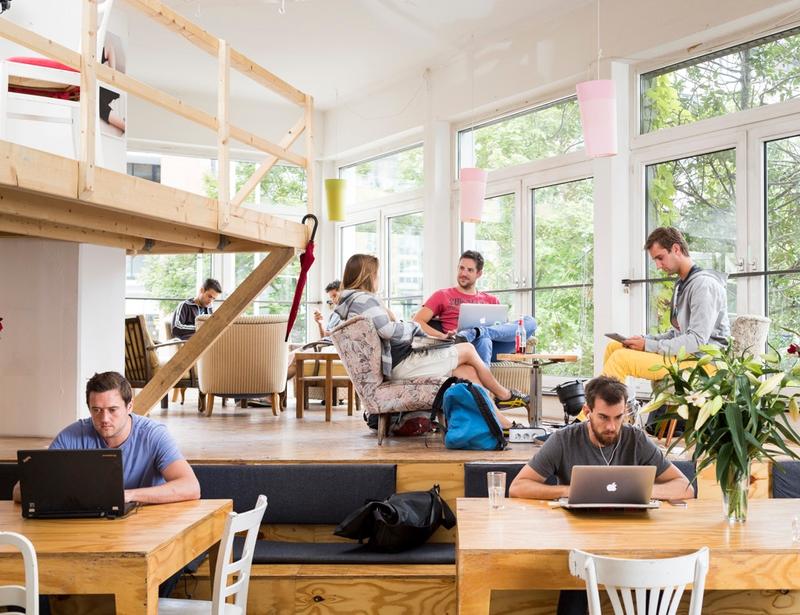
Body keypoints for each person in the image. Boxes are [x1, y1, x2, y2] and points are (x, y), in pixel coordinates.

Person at [509, 375, 694, 615]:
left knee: (656, 568)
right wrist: (569, 490)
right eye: (604, 417)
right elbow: (518, 487)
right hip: (580, 540)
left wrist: (640, 491)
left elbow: (685, 487)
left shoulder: (636, 439)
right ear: (587, 411)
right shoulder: (563, 440)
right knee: (576, 576)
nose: (612, 427)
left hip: (634, 540)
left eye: (619, 418)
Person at [333, 254, 529, 427]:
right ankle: (504, 395)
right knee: (468, 348)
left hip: (399, 362)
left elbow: (385, 330)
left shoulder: (349, 303)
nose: (378, 279)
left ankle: (499, 423)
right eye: (377, 274)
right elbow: (388, 330)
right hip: (402, 364)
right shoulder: (365, 300)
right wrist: (412, 327)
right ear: (369, 276)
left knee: (468, 370)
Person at [13, 371, 200, 505]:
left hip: (145, 524)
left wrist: (127, 495)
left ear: (129, 407)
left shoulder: (154, 435)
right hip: (86, 529)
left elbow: (191, 487)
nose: (104, 419)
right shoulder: (71, 436)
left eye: (112, 410)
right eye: (97, 410)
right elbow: (19, 491)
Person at [602, 226, 730, 383]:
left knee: (620, 359)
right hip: (686, 356)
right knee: (614, 347)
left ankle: (601, 407)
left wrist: (648, 345)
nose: (658, 265)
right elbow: (678, 333)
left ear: (676, 249)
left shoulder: (704, 285)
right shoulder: (682, 283)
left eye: (660, 258)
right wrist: (645, 339)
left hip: (705, 363)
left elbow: (697, 341)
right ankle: (612, 406)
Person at [414, 250, 537, 370]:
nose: (463, 273)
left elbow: (503, 330)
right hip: (462, 345)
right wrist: (442, 335)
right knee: (484, 340)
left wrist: (484, 332)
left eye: (470, 270)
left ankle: (479, 331)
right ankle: (481, 388)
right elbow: (417, 321)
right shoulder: (442, 295)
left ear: (479, 274)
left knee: (530, 322)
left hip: (494, 347)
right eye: (461, 268)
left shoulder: (492, 300)